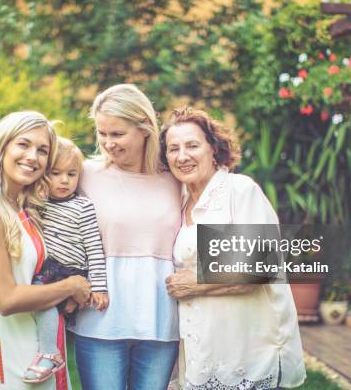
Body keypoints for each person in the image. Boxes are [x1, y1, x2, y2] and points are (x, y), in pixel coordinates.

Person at [160, 107, 306, 389]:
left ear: (213, 148)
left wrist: (197, 282)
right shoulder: (177, 201)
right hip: (202, 345)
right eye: (172, 149)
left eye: (192, 145)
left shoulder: (239, 191)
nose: (182, 156)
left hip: (247, 348)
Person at [0, 111, 91, 390]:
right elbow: (7, 299)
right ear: (3, 146)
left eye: (42, 150)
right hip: (13, 359)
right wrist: (71, 285)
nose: (32, 157)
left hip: (46, 350)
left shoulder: (24, 208)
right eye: (23, 144)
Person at [69, 84, 181, 389]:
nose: (108, 143)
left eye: (117, 134)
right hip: (100, 321)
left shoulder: (176, 179)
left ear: (145, 129)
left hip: (161, 322)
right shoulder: (83, 174)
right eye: (102, 133)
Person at [23, 137, 109, 383]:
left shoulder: (83, 207)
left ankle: (50, 353)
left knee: (43, 296)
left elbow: (94, 248)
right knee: (43, 301)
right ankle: (49, 345)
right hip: (49, 267)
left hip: (72, 270)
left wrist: (99, 286)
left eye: (71, 174)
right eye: (56, 173)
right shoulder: (38, 205)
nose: (64, 180)